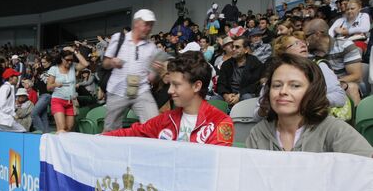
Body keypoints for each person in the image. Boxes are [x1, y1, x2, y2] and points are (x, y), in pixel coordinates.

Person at [247, 53, 373, 157]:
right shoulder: (259, 132)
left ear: (313, 91)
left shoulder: (334, 129)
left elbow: (366, 167)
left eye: (295, 86)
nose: (283, 91)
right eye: (277, 85)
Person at [104, 51, 234, 146]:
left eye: (176, 85)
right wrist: (98, 138)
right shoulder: (165, 119)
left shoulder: (220, 123)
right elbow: (134, 132)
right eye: (170, 84)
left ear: (196, 86)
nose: (170, 90)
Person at [102, 9, 161, 131]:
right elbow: (105, 64)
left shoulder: (151, 47)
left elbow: (151, 78)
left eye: (151, 25)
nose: (149, 28)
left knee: (154, 125)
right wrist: (112, 62)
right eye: (146, 24)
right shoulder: (118, 38)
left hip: (141, 91)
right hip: (117, 90)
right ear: (136, 23)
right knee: (110, 130)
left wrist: (156, 71)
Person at [305, 18, 363, 104]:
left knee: (351, 87)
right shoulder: (307, 53)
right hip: (320, 88)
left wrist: (331, 84)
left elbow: (356, 76)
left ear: (317, 34)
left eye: (306, 36)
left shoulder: (345, 45)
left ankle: (355, 116)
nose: (304, 40)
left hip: (343, 84)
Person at [47, 47, 89, 132]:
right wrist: (55, 84)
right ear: (61, 58)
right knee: (62, 129)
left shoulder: (73, 66)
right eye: (67, 59)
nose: (70, 62)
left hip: (71, 101)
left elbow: (86, 64)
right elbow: (48, 87)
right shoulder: (54, 69)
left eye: (71, 59)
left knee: (68, 130)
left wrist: (74, 51)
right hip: (58, 100)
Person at [216, 36, 263, 106]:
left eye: (237, 47)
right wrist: (226, 95)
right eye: (233, 47)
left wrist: (239, 95)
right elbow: (220, 84)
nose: (233, 49)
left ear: (246, 50)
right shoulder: (226, 64)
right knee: (214, 99)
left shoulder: (255, 63)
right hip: (229, 95)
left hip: (244, 94)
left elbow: (255, 85)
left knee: (247, 97)